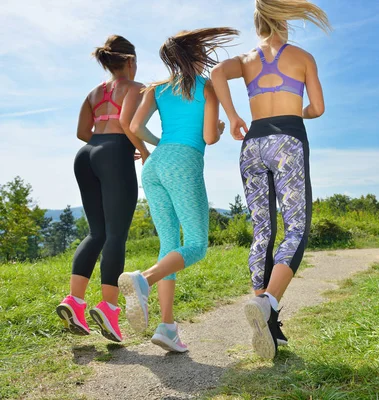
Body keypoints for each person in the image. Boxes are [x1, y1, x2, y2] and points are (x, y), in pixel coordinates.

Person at [211, 0, 330, 359]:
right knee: (296, 228)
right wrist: (298, 111)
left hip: (252, 143)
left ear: (259, 24)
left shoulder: (247, 60)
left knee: (262, 230)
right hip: (288, 140)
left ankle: (270, 328)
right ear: (285, 22)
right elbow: (318, 108)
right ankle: (268, 304)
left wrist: (233, 116)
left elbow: (217, 72)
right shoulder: (303, 57)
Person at [118, 28, 238, 352]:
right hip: (184, 162)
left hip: (155, 165)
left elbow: (133, 126)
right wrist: (221, 127)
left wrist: (155, 147)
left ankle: (167, 327)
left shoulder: (157, 89)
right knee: (197, 245)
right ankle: (143, 279)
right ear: (197, 55)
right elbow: (210, 137)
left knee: (169, 245)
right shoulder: (206, 86)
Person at [56, 35, 150, 343]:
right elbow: (129, 125)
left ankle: (74, 302)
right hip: (113, 154)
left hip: (86, 155)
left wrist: (103, 145)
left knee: (96, 233)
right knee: (115, 236)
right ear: (131, 62)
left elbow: (83, 132)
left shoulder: (94, 92)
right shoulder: (137, 88)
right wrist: (141, 151)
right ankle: (109, 308)